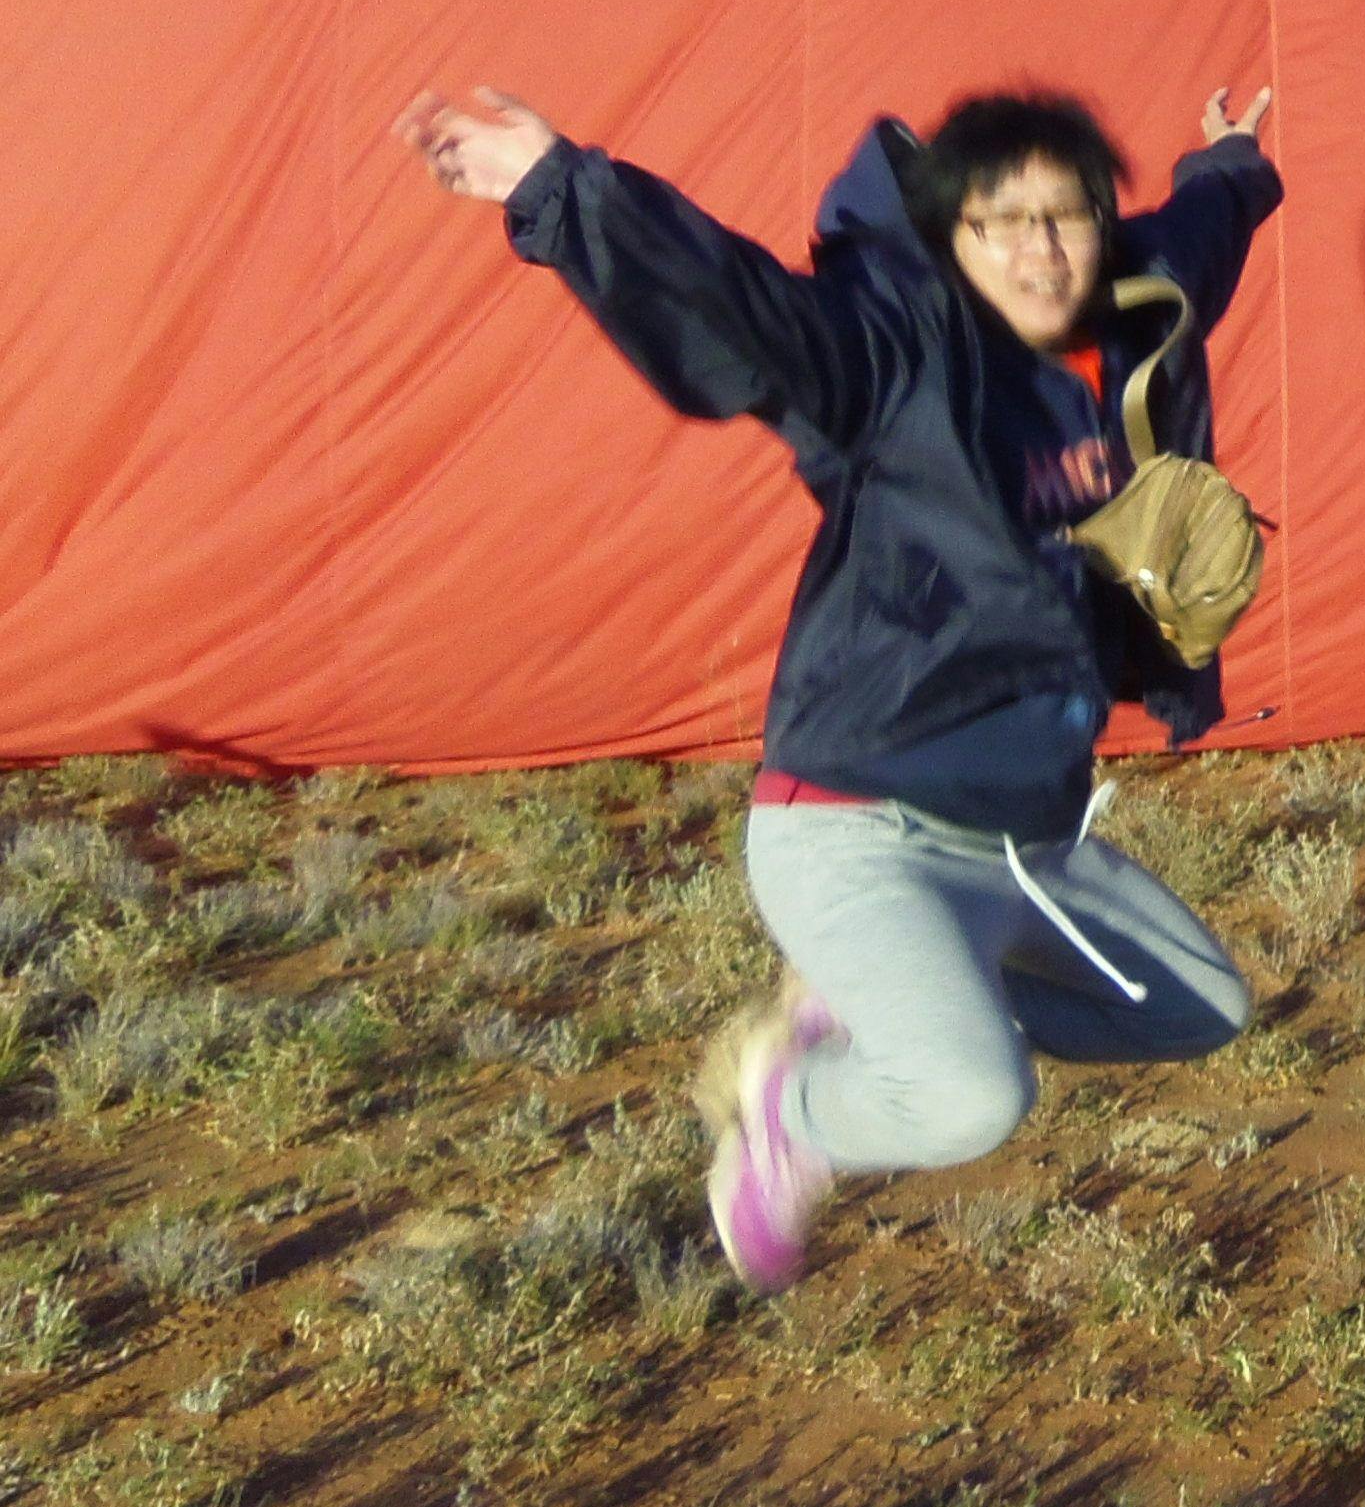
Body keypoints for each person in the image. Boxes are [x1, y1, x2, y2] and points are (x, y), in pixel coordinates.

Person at [395, 75, 1282, 1291]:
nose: (1037, 244)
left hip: (1024, 842)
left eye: (1064, 215)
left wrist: (1231, 167)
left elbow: (1200, 240)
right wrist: (562, 189)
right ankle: (791, 1109)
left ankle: (898, 994)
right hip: (860, 821)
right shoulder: (896, 351)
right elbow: (741, 313)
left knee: (1198, 1008)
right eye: (997, 220)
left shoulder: (1133, 313)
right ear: (950, 238)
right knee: (972, 1097)